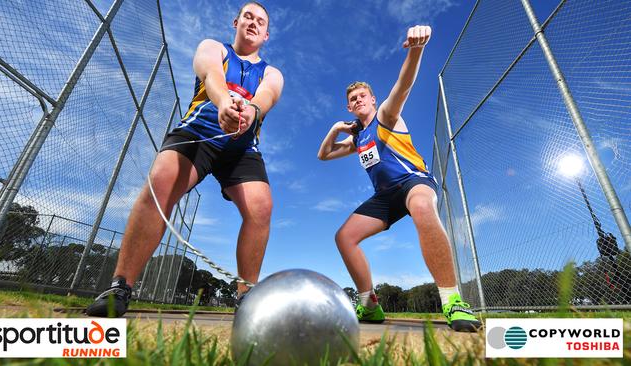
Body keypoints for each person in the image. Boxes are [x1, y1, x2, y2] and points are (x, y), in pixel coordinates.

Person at [86, 1, 283, 317]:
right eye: (248, 16)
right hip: (201, 131)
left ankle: (247, 296)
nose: (254, 22)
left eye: (260, 20)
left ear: (267, 34)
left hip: (242, 147)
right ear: (236, 22)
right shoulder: (213, 47)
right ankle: (120, 286)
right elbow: (211, 75)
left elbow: (268, 95)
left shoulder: (270, 72)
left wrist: (251, 111)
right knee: (160, 182)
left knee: (261, 206)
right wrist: (222, 104)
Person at [317, 25, 481, 332]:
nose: (358, 100)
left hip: (413, 182)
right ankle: (369, 306)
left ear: (372, 98)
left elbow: (402, 87)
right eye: (352, 99)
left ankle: (452, 301)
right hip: (385, 196)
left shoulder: (385, 115)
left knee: (421, 208)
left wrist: (416, 49)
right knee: (345, 237)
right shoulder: (358, 139)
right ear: (348, 106)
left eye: (362, 95)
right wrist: (335, 130)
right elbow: (324, 155)